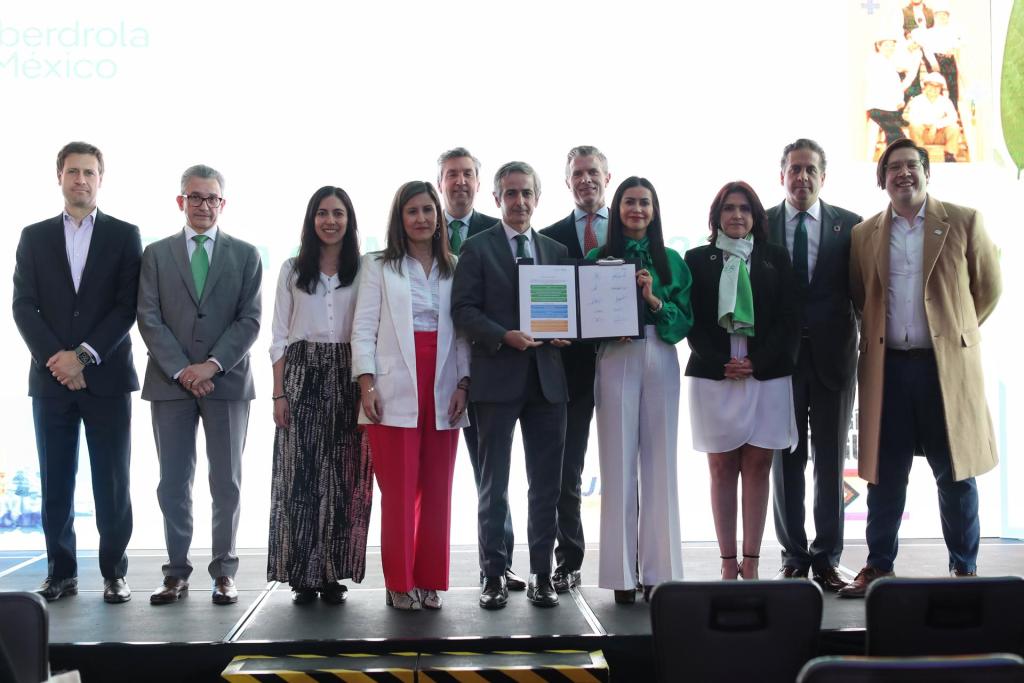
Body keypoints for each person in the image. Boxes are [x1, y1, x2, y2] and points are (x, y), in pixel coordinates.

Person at [840, 139, 1001, 597]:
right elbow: (861, 296)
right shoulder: (864, 234)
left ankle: (964, 569)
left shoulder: (964, 221)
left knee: (955, 472)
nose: (904, 173)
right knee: (884, 475)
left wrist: (954, 333)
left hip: (944, 371)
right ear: (882, 179)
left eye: (912, 165)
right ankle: (878, 566)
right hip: (888, 371)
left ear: (928, 172)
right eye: (894, 167)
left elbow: (988, 288)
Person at [13, 141, 141, 604]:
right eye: (73, 171)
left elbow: (126, 306)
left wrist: (82, 357)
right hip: (51, 381)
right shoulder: (34, 236)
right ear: (59, 177)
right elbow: (23, 305)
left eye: (89, 172)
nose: (81, 179)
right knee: (56, 481)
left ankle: (114, 573)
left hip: (106, 379)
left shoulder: (125, 235)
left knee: (112, 482)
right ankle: (61, 573)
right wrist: (59, 359)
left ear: (100, 179)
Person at [137, 164, 262, 606]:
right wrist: (183, 370)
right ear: (181, 201)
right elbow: (148, 317)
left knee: (226, 482)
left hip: (226, 382)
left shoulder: (246, 254)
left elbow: (250, 320)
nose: (204, 205)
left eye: (212, 198)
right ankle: (176, 573)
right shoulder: (155, 254)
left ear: (222, 203)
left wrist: (210, 366)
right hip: (169, 383)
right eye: (195, 197)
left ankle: (224, 572)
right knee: (173, 482)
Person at [452, 161, 570, 610]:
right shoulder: (477, 248)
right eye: (511, 193)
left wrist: (569, 330)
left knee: (546, 487)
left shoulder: (556, 250)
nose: (519, 201)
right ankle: (494, 574)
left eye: (526, 193)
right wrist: (504, 335)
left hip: (547, 383)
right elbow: (463, 310)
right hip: (496, 380)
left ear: (537, 198)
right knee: (493, 485)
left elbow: (568, 309)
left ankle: (541, 574)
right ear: (497, 198)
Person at [353, 181, 470, 611]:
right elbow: (363, 328)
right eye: (412, 211)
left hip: (444, 385)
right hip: (392, 387)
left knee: (438, 489)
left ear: (439, 217)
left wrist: (464, 383)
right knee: (399, 492)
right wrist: (366, 384)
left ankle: (429, 579)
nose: (421, 218)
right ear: (400, 219)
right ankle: (399, 581)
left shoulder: (455, 266)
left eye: (428, 210)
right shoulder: (378, 265)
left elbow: (463, 334)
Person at [685, 181, 799, 580]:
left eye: (745, 209)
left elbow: (789, 319)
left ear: (756, 217)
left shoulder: (775, 257)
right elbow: (692, 322)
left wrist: (757, 361)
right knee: (720, 467)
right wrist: (722, 362)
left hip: (764, 374)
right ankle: (727, 562)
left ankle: (751, 563)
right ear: (717, 216)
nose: (737, 215)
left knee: (758, 464)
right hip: (715, 374)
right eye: (729, 208)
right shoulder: (697, 259)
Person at [586, 176, 692, 604]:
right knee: (616, 465)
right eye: (629, 201)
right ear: (617, 208)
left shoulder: (671, 260)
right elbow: (585, 318)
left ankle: (659, 572)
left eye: (644, 202)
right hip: (616, 355)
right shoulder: (597, 259)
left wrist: (652, 300)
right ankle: (621, 576)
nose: (637, 209)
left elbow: (684, 322)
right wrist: (606, 327)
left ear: (654, 210)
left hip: (660, 353)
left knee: (661, 465)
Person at [267, 186, 372, 605]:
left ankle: (331, 573)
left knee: (346, 475)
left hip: (349, 373)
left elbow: (371, 331)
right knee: (302, 477)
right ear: (312, 220)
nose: (331, 221)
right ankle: (303, 574)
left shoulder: (364, 270)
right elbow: (278, 336)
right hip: (302, 372)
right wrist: (278, 394)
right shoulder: (292, 270)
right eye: (323, 213)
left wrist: (367, 386)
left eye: (338, 213)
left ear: (349, 220)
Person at [767, 140, 862, 592]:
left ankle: (827, 558)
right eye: (794, 169)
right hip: (781, 362)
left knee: (829, 461)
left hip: (834, 359)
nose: (802, 177)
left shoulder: (851, 226)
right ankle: (793, 556)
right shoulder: (761, 224)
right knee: (786, 459)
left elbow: (863, 293)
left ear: (823, 177)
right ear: (781, 175)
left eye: (810, 170)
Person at [436, 147, 521, 590]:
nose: (460, 181)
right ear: (440, 183)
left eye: (468, 173)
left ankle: (499, 562)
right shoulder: (421, 226)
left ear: (479, 183)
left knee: (490, 473)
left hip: (486, 370)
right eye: (452, 174)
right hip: (430, 367)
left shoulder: (499, 231)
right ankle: (424, 570)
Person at [539, 145, 611, 594]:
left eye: (593, 172)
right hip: (570, 370)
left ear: (607, 177)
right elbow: (544, 303)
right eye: (578, 173)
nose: (586, 180)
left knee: (629, 468)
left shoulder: (632, 228)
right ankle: (568, 560)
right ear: (567, 181)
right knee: (567, 472)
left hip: (626, 363)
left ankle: (635, 559)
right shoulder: (550, 239)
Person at [865, 35, 916, 145]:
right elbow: (882, 86)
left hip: (889, 107)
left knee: (892, 138)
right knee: (899, 137)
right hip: (878, 107)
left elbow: (895, 86)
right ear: (878, 46)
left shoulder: (890, 62)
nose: (890, 47)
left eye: (892, 45)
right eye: (886, 45)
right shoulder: (875, 61)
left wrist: (899, 100)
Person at [904, 72, 961, 162]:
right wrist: (929, 125)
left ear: (940, 88)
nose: (934, 89)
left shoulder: (945, 101)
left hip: (939, 135)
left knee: (954, 127)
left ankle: (949, 155)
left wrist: (936, 125)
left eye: (937, 86)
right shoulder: (917, 100)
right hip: (923, 135)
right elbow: (912, 117)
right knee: (914, 126)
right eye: (931, 85)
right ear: (925, 86)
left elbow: (953, 117)